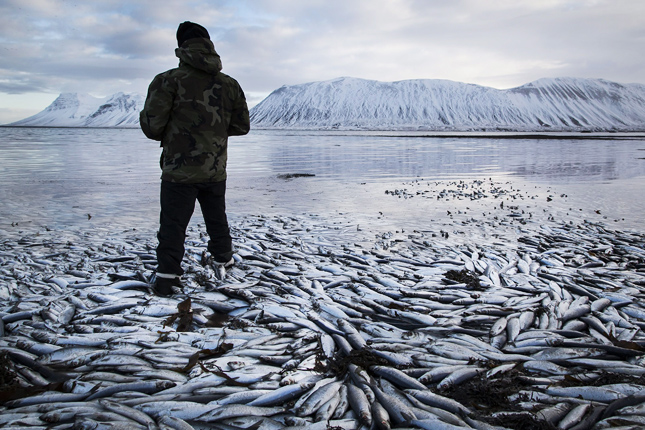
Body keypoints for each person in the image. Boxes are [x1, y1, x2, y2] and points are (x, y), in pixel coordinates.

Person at [139, 21, 250, 296]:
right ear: (209, 44)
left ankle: (167, 277)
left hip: (179, 170)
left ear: (181, 47)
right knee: (217, 218)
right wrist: (213, 135)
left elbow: (153, 127)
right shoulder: (230, 85)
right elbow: (241, 126)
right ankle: (224, 258)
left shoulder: (167, 81)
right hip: (215, 168)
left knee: (173, 224)